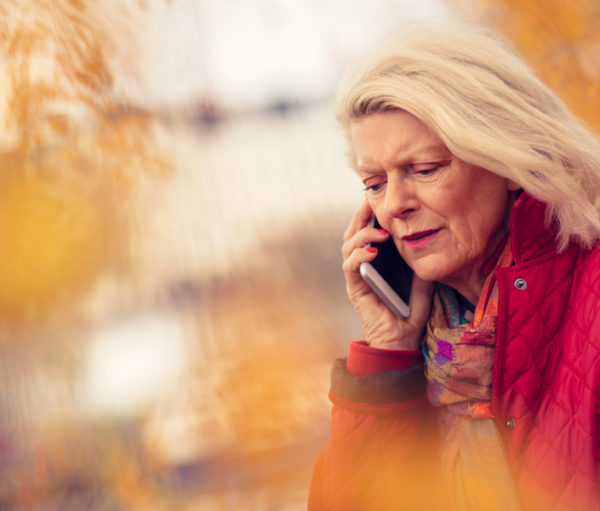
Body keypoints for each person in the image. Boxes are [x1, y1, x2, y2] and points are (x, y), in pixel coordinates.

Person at [308, 23, 600, 511]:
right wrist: (389, 357)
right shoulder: (427, 341)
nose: (395, 205)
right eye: (374, 183)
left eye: (424, 169)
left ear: (507, 161)